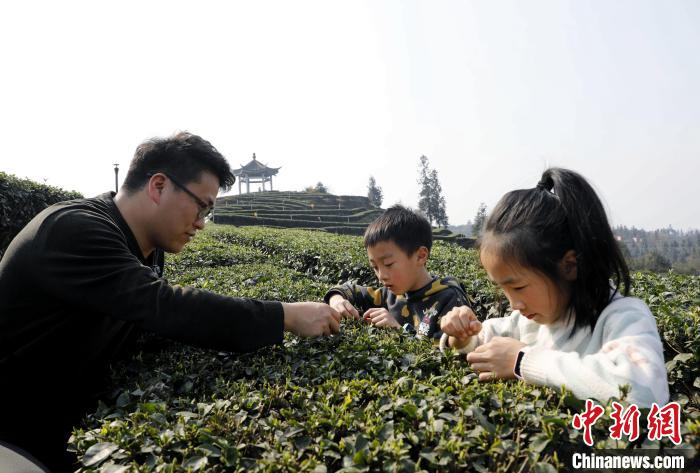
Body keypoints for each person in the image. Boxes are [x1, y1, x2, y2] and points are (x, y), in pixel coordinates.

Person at [0, 131, 341, 472]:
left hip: (53, 437)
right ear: (159, 186)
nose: (202, 224)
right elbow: (167, 306)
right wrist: (284, 316)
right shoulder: (74, 229)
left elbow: (154, 324)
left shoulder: (147, 248)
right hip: (12, 443)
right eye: (201, 206)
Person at [439, 168, 669, 407]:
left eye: (518, 287)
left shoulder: (623, 318)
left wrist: (522, 361)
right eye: (503, 289)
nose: (513, 304)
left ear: (569, 265)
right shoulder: (527, 322)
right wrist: (462, 334)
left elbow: (644, 394)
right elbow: (482, 343)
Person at [325, 205, 470, 340]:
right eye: (375, 267)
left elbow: (449, 355)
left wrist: (398, 330)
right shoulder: (389, 295)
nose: (381, 276)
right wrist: (336, 299)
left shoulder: (449, 298)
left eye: (388, 264)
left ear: (420, 256)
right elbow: (350, 290)